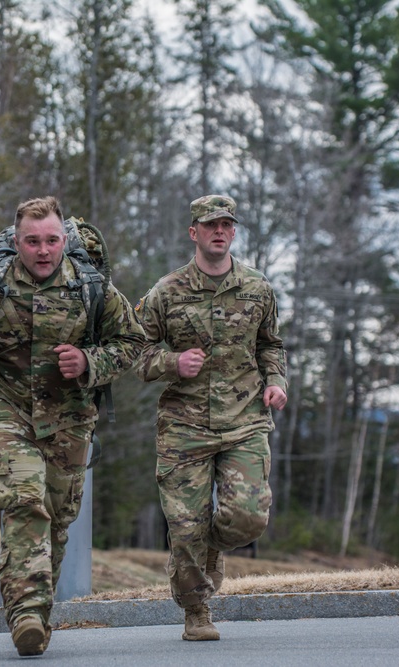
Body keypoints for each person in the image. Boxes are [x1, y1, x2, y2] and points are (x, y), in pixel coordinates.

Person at [0, 196, 144, 656]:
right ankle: (24, 611)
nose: (43, 251)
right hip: (4, 409)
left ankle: (38, 616)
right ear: (17, 240)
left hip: (69, 417)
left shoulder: (91, 287)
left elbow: (132, 342)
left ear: (64, 239)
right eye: (32, 241)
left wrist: (90, 360)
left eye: (51, 240)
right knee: (25, 500)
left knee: (57, 519)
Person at [134, 194, 287, 641]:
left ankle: (214, 547)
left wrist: (276, 381)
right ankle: (196, 611)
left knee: (249, 519)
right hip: (184, 427)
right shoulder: (166, 292)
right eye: (210, 225)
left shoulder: (257, 287)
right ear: (194, 233)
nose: (219, 231)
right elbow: (133, 353)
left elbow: (271, 344)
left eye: (226, 224)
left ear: (234, 232)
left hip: (245, 421)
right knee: (184, 529)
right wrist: (172, 363)